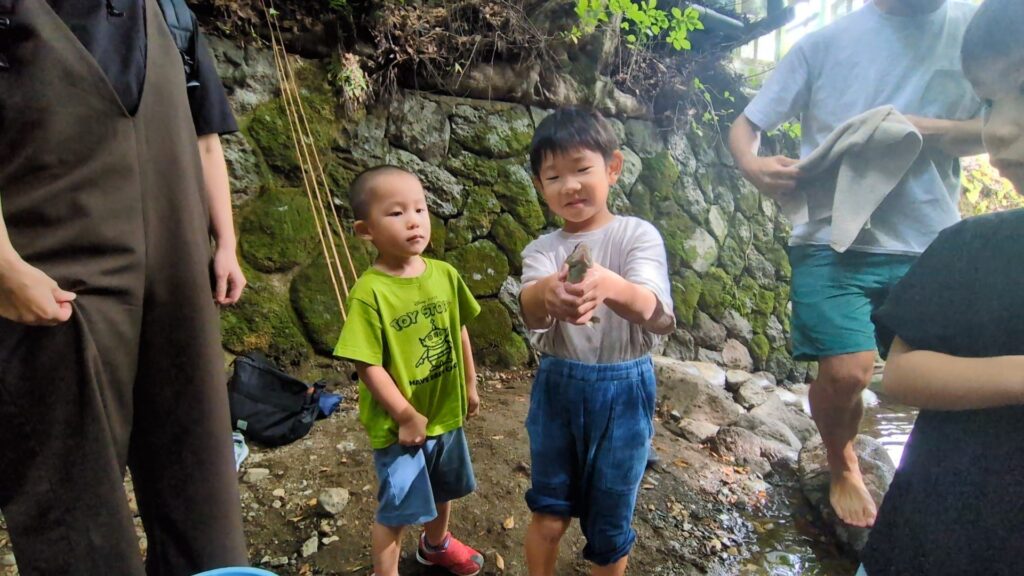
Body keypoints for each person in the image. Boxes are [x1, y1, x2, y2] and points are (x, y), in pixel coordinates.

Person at [0, 1, 247, 574]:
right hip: (54, 280)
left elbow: (204, 136)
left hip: (178, 268)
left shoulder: (170, 14)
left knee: (200, 473)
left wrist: (226, 243)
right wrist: (5, 266)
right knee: (75, 499)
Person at [728, 0, 985, 527]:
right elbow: (747, 125)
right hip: (832, 238)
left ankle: (939, 482)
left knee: (936, 377)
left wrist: (911, 128)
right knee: (847, 373)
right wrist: (752, 165)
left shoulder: (976, 32)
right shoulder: (823, 44)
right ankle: (842, 461)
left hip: (931, 240)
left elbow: (995, 130)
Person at [859, 0, 1024, 573]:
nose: (997, 128)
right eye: (988, 101)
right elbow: (903, 372)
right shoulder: (971, 247)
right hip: (934, 537)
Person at [518, 108, 675, 576]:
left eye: (582, 169)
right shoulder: (542, 250)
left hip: (625, 391)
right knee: (548, 512)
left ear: (613, 168)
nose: (570, 186)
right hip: (557, 387)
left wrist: (611, 286)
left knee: (609, 524)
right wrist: (546, 294)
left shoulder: (636, 234)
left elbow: (653, 310)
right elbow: (530, 309)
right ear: (539, 186)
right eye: (554, 176)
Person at [333, 166, 484, 576]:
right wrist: (404, 414)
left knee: (444, 489)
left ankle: (436, 545)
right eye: (397, 213)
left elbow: (459, 329)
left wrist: (470, 383)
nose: (414, 220)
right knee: (397, 510)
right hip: (400, 428)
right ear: (366, 231)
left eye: (420, 209)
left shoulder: (445, 275)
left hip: (445, 414)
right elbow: (366, 363)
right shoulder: (370, 292)